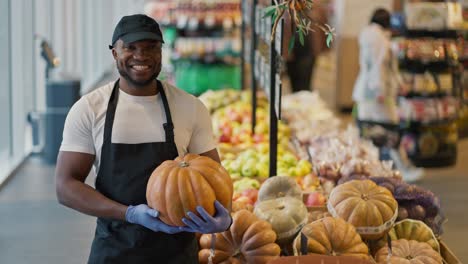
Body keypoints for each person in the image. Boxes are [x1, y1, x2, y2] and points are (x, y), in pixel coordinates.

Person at [55, 14, 231, 263]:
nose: (141, 55)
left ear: (161, 52)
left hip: (178, 254)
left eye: (151, 47)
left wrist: (224, 216)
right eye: (130, 47)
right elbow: (65, 186)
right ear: (114, 53)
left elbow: (215, 178)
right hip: (114, 251)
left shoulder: (190, 107)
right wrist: (129, 214)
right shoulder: (89, 109)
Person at [352, 8, 423, 182]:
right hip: (378, 95)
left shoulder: (367, 35)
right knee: (390, 131)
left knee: (370, 132)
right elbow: (379, 66)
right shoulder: (379, 39)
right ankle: (401, 169)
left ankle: (374, 170)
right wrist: (380, 90)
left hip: (366, 92)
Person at [284, 2, 328, 92]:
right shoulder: (286, 6)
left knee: (305, 82)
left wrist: (323, 49)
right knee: (293, 81)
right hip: (291, 51)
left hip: (308, 51)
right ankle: (296, 100)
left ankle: (304, 101)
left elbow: (324, 26)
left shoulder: (315, 7)